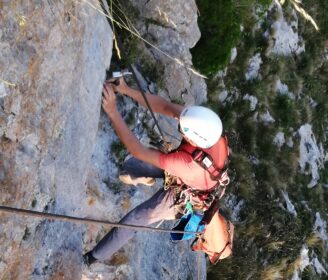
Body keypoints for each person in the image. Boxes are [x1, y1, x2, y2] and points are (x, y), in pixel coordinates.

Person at [83, 78, 229, 266]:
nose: (181, 129)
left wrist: (112, 111)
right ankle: (147, 177)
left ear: (193, 140)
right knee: (131, 166)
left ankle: (91, 258)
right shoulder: (207, 130)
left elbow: (138, 149)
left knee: (133, 220)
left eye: (183, 132)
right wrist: (127, 90)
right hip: (191, 176)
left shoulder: (185, 163)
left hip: (182, 196)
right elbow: (165, 106)